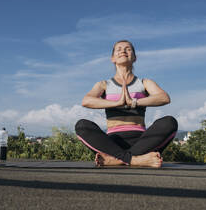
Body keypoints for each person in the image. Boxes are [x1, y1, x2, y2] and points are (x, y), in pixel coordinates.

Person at [75, 40, 178, 168]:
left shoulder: (144, 82)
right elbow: (86, 101)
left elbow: (164, 98)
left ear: (134, 57)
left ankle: (118, 159)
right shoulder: (104, 84)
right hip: (112, 143)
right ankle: (135, 160)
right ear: (113, 58)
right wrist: (117, 103)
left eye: (128, 49)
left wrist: (134, 102)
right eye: (118, 49)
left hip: (142, 141)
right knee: (82, 125)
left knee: (169, 122)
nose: (123, 51)